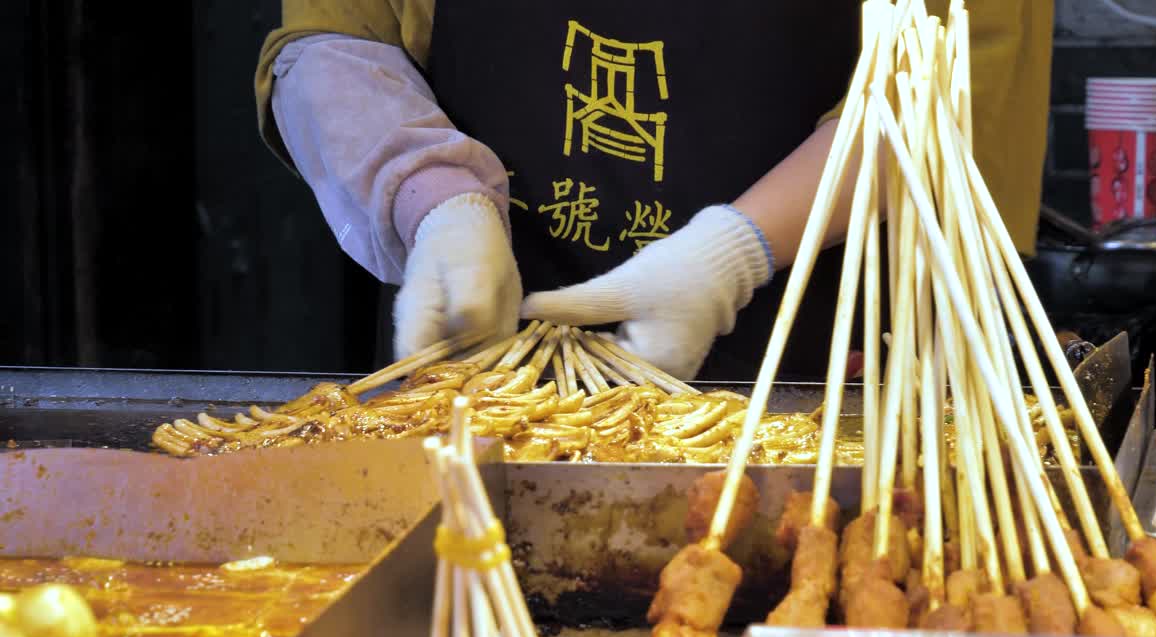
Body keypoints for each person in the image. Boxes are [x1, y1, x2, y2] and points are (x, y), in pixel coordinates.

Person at [255, 1, 1051, 380]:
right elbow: (338, 40)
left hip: (824, 387)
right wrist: (433, 200)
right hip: (479, 378)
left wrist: (728, 254)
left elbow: (957, 68)